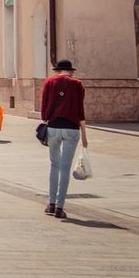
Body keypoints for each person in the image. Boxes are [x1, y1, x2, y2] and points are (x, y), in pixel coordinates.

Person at [41, 60, 87, 219]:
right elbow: (80, 111)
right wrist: (85, 136)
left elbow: (44, 106)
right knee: (65, 168)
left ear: (58, 70)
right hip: (72, 129)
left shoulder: (49, 82)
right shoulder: (77, 85)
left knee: (54, 165)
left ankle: (51, 204)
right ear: (71, 71)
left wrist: (46, 118)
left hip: (53, 127)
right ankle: (60, 207)